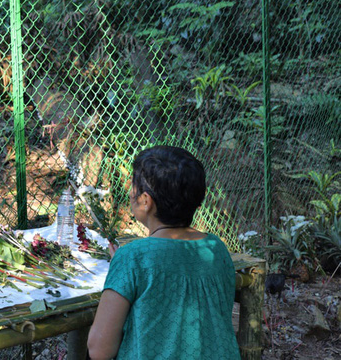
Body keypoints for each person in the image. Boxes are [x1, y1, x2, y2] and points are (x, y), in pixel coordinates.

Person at [87, 146, 240, 360]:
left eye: (133, 187)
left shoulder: (133, 257)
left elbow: (99, 350)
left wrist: (122, 266)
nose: (130, 193)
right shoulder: (216, 248)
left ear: (146, 201)